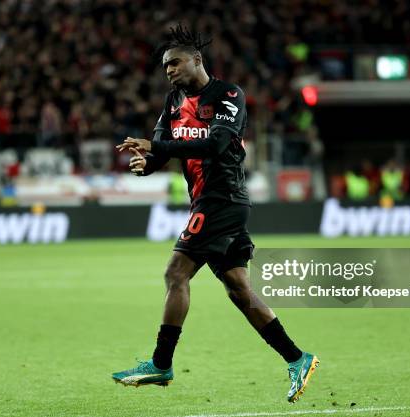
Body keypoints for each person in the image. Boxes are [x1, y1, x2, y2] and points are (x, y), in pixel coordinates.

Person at [112, 24, 319, 403]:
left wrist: (159, 146)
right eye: (165, 66)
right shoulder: (173, 101)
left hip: (222, 198)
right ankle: (298, 358)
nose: (170, 70)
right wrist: (149, 162)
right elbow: (163, 148)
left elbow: (218, 142)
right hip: (206, 201)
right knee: (239, 289)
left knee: (176, 272)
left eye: (175, 63)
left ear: (197, 60)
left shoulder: (227, 95)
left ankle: (161, 363)